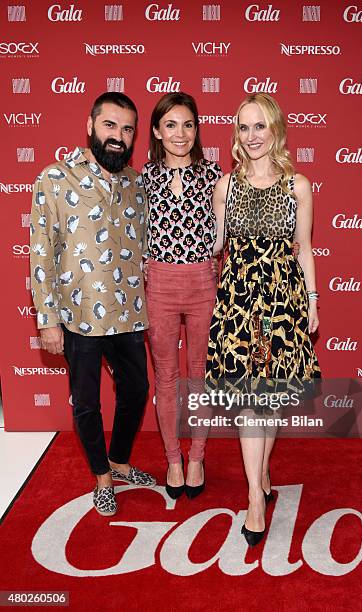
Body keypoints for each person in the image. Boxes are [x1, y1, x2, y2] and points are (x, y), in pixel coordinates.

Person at [30, 92, 156, 517]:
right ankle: (101, 476)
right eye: (110, 126)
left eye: (126, 130)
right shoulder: (55, 179)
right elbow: (41, 253)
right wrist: (47, 321)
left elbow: (144, 248)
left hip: (129, 314)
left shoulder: (138, 184)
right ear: (91, 125)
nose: (118, 136)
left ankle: (119, 461)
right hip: (78, 316)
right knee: (86, 402)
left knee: (137, 390)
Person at [206, 93, 321, 546]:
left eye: (259, 126)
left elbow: (305, 249)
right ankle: (256, 495)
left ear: (275, 129)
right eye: (243, 127)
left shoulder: (298, 185)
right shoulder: (225, 187)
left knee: (269, 397)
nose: (251, 136)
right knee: (250, 401)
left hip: (281, 300)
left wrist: (313, 301)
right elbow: (217, 247)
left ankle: (261, 473)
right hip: (237, 302)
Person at [142, 92, 222, 499]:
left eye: (188, 124)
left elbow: (223, 236)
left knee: (199, 377)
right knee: (167, 378)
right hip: (158, 283)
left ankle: (197, 456)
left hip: (204, 283)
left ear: (196, 130)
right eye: (170, 124)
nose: (180, 133)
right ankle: (173, 457)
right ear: (157, 130)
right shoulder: (143, 177)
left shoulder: (214, 175)